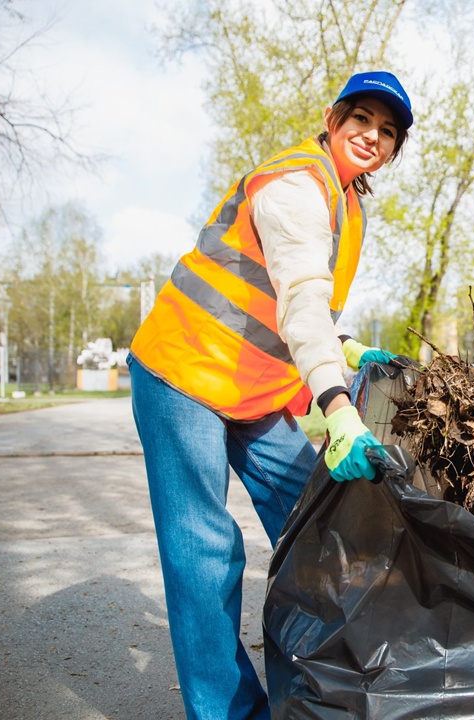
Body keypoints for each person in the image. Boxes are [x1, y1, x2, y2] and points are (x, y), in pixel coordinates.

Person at [127, 71, 413, 720]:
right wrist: (339, 409)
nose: (372, 135)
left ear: (394, 150)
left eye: (388, 130)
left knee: (324, 520)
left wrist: (351, 349)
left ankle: (317, 695)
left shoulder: (346, 200)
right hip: (183, 374)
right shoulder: (296, 186)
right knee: (204, 551)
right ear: (331, 119)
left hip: (251, 392)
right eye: (361, 119)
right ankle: (229, 714)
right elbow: (301, 302)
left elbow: (295, 305)